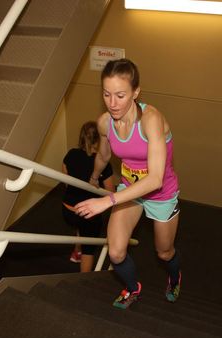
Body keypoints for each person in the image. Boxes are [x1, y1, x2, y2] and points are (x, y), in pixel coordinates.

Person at [74, 58, 181, 309]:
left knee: (164, 252)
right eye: (107, 94)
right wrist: (93, 178)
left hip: (161, 193)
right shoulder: (105, 123)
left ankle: (175, 277)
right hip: (129, 191)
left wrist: (106, 200)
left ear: (136, 92)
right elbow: (103, 155)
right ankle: (133, 288)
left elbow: (155, 179)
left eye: (120, 95)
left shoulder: (150, 120)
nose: (113, 103)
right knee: (116, 252)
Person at [62, 121, 114, 272]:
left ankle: (76, 252)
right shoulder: (103, 164)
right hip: (87, 215)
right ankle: (83, 281)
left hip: (68, 210)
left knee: (80, 225)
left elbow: (66, 182)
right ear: (100, 141)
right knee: (89, 251)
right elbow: (110, 194)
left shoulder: (70, 155)